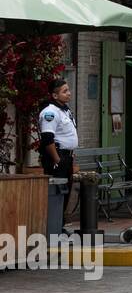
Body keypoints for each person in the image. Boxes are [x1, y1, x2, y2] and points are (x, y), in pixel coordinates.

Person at [39, 78, 78, 218]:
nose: (69, 93)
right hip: (57, 157)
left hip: (66, 157)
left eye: (68, 90)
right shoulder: (50, 112)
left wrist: (70, 158)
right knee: (56, 193)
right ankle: (53, 228)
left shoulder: (65, 110)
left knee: (65, 193)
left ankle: (59, 226)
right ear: (55, 95)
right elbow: (48, 138)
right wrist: (57, 160)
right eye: (65, 91)